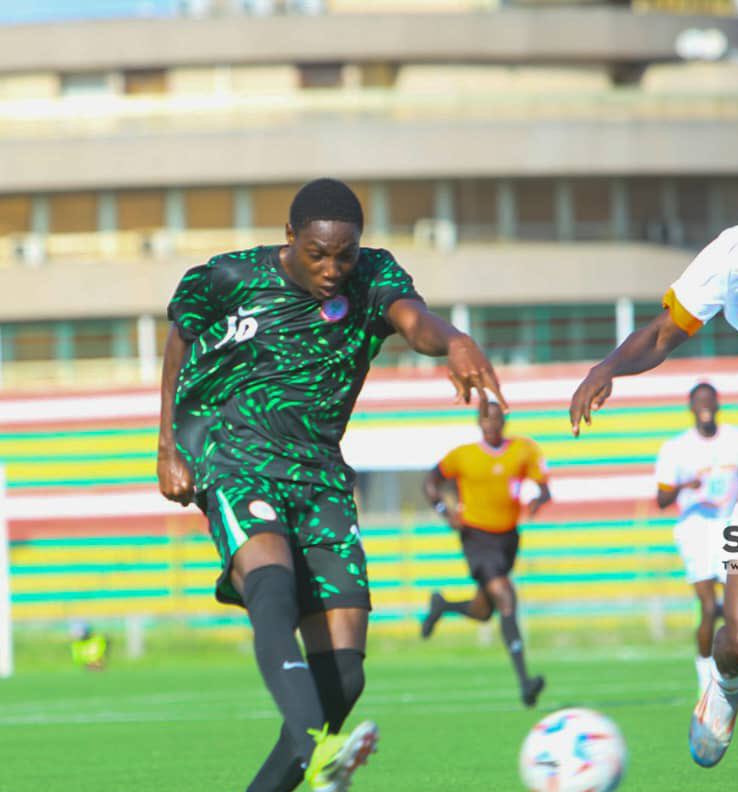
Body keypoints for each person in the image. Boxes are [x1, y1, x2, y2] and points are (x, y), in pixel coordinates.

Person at [157, 178, 507, 792]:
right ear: (290, 236)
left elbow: (411, 319)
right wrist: (166, 444)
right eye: (318, 254)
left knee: (345, 675)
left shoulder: (373, 278)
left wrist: (452, 340)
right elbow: (180, 336)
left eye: (344, 255)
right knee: (272, 585)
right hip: (233, 451)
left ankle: (305, 752)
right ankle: (309, 739)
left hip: (319, 471)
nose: (332, 268)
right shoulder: (228, 278)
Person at [569, 225, 738, 768]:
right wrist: (609, 366)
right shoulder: (732, 251)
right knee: (734, 635)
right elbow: (667, 332)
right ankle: (725, 686)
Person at [420, 399, 550, 707]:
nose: (491, 425)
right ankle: (525, 682)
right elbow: (431, 481)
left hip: (507, 538)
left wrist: (537, 500)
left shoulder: (524, 451)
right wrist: (443, 509)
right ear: (479, 422)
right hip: (476, 536)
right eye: (485, 419)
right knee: (506, 597)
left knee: (484, 610)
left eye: (496, 419)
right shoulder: (463, 456)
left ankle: (443, 606)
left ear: (504, 421)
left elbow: (543, 487)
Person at [655, 382, 738, 694]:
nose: (704, 406)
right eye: (698, 401)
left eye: (709, 400)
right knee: (707, 605)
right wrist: (685, 485)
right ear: (690, 408)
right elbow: (662, 499)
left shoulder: (733, 438)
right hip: (696, 531)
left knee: (733, 609)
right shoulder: (677, 449)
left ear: (717, 405)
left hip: (731, 527)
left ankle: (728, 661)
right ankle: (707, 680)